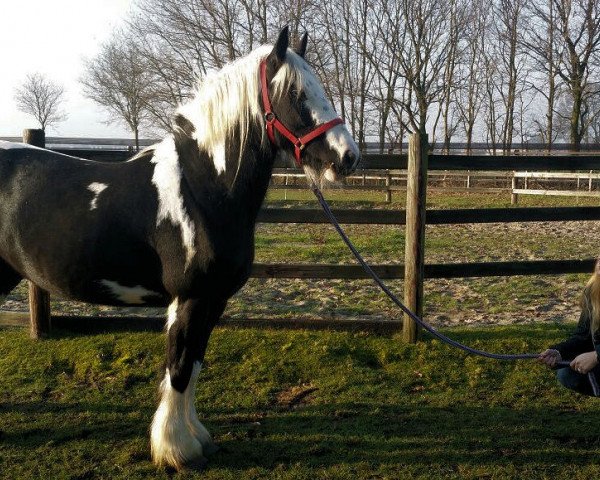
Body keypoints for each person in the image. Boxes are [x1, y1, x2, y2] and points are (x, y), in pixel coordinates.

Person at [538, 259, 600, 396]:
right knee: (568, 373)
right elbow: (583, 337)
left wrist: (596, 356)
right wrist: (560, 352)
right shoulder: (594, 292)